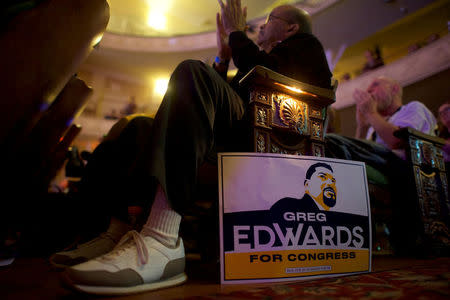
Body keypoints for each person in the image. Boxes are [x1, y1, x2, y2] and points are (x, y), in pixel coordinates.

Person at [56, 1, 332, 295]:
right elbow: (228, 90)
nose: (261, 26)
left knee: (192, 71)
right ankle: (117, 231)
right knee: (138, 127)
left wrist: (236, 33)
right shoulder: (263, 57)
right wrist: (224, 56)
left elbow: (258, 75)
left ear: (291, 27)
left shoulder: (306, 46)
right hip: (238, 128)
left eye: (269, 20)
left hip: (270, 136)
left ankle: (162, 239)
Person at [325, 76, 437, 255]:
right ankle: (352, 231)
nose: (369, 92)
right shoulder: (374, 125)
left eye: (375, 86)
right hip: (381, 164)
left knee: (332, 142)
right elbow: (358, 151)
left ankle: (355, 231)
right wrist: (362, 126)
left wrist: (371, 114)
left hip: (404, 166)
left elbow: (397, 141)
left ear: (394, 89)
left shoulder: (413, 108)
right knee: (333, 150)